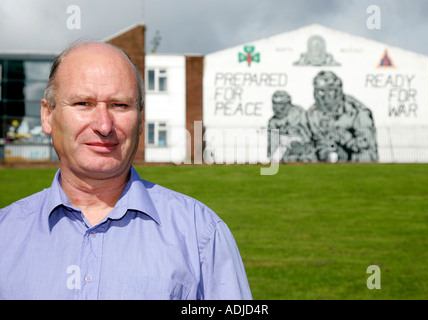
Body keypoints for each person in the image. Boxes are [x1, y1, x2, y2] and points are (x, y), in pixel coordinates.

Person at [0, 42, 252, 300]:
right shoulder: (5, 235)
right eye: (83, 103)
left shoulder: (201, 234)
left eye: (120, 105)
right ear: (47, 115)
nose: (104, 125)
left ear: (140, 120)